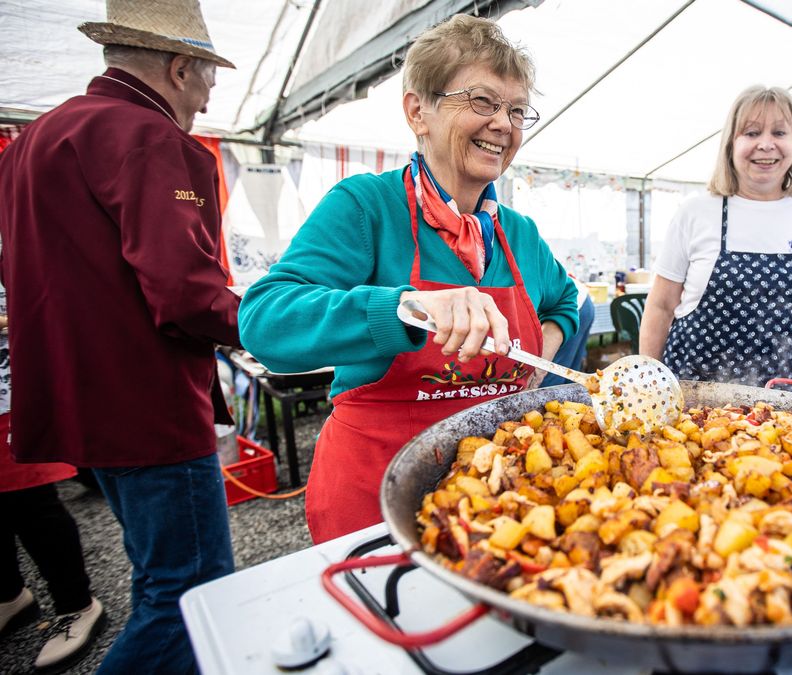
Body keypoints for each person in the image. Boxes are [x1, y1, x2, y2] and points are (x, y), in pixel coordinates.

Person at [238, 15, 578, 544]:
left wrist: (538, 361)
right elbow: (265, 319)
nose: (504, 125)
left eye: (516, 111)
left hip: (498, 493)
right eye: (483, 102)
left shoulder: (520, 234)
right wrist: (408, 308)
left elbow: (564, 303)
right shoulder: (364, 207)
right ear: (418, 111)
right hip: (373, 492)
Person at [0, 1, 241, 672]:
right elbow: (187, 294)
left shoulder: (33, 141)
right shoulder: (151, 136)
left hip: (75, 400)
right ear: (178, 66)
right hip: (147, 408)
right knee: (192, 597)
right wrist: (278, 319)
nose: (210, 90)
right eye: (207, 74)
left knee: (156, 575)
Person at [639, 86, 792, 386]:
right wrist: (647, 380)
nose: (766, 145)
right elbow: (660, 306)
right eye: (752, 133)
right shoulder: (696, 212)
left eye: (780, 133)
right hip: (697, 398)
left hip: (790, 404)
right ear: (731, 144)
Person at [0, 269, 104, 672]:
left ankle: (75, 603)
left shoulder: (12, 228)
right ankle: (11, 594)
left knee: (32, 503)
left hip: (12, 392)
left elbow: (45, 295)